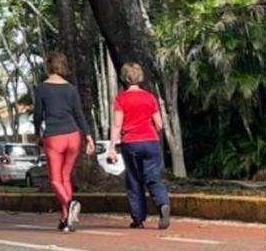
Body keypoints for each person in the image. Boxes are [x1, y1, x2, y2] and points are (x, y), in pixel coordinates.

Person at [34, 53, 95, 233]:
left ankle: (69, 205)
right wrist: (89, 137)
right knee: (65, 177)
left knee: (55, 179)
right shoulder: (71, 89)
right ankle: (65, 219)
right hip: (73, 136)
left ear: (48, 66)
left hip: (54, 136)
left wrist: (38, 134)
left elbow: (38, 115)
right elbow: (79, 115)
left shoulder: (42, 89)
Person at [106, 62, 171, 230]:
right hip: (151, 141)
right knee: (153, 177)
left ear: (124, 78)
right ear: (139, 77)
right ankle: (162, 203)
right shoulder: (150, 97)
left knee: (134, 179)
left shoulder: (121, 99)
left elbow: (117, 125)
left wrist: (112, 147)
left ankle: (138, 218)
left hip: (131, 143)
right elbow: (159, 124)